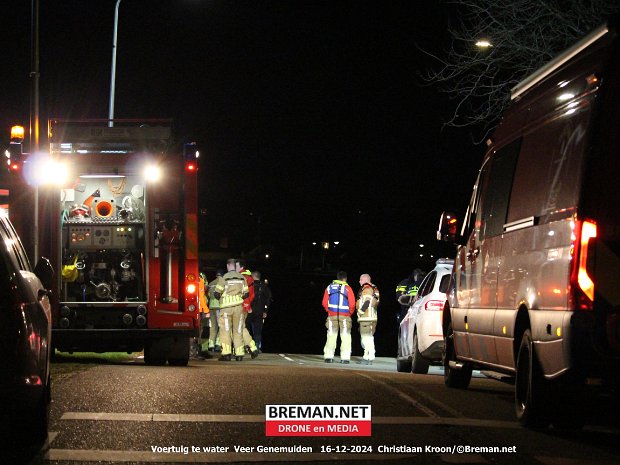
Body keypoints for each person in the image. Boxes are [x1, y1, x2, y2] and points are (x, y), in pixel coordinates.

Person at [214, 259, 249, 361]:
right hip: (239, 308)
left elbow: (216, 294)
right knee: (238, 330)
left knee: (225, 330)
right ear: (234, 265)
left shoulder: (224, 277)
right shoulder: (242, 278)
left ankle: (226, 354)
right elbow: (246, 293)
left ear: (228, 266)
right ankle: (239, 354)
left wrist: (223, 297)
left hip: (226, 308)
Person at [322, 271, 355, 364]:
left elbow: (324, 302)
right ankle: (345, 358)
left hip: (332, 316)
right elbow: (352, 304)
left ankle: (328, 357)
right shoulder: (348, 288)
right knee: (345, 336)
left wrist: (329, 311)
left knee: (331, 335)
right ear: (345, 278)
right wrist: (349, 313)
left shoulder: (329, 287)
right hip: (345, 316)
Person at [235, 259, 259, 359]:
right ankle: (250, 348)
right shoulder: (247, 277)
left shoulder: (243, 277)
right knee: (240, 328)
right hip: (243, 306)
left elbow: (247, 294)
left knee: (239, 329)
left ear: (241, 267)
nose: (234, 268)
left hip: (241, 306)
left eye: (236, 266)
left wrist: (245, 305)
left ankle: (248, 349)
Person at [246, 270, 272, 351]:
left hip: (249, 311)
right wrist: (265, 311)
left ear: (252, 276)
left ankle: (246, 346)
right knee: (258, 330)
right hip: (260, 312)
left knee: (246, 329)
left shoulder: (249, 285)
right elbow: (268, 300)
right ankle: (257, 346)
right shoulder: (265, 287)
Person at [356, 274, 380, 365]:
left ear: (364, 280)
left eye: (360, 279)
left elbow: (367, 301)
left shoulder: (366, 288)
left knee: (366, 338)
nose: (359, 282)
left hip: (366, 317)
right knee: (369, 337)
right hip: (373, 317)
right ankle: (366, 357)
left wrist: (360, 312)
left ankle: (370, 356)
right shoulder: (375, 288)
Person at [205, 268, 225, 353]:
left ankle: (211, 344)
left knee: (213, 327)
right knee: (221, 325)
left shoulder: (211, 283)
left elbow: (208, 295)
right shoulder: (223, 282)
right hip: (219, 307)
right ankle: (218, 344)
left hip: (211, 307)